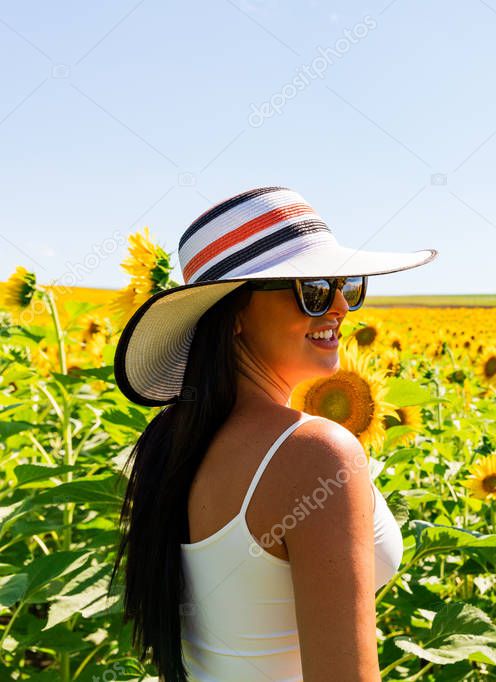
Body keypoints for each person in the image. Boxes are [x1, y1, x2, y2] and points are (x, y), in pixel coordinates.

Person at [109, 186, 438, 681]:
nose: (339, 308)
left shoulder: (173, 439)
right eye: (311, 290)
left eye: (346, 285)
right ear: (236, 314)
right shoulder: (315, 455)